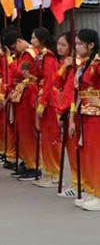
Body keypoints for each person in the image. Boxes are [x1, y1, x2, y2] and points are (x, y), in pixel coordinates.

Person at [4, 29, 39, 180]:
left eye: (13, 47)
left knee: (27, 132)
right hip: (20, 94)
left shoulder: (29, 54)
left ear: (19, 41)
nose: (12, 51)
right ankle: (26, 161)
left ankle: (33, 165)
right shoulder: (21, 54)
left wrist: (9, 60)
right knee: (21, 131)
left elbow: (19, 73)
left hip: (27, 94)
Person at [73, 29, 100, 211]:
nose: (76, 47)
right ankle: (91, 189)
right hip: (84, 111)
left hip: (96, 113)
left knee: (95, 154)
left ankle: (98, 193)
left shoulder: (98, 64)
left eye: (79, 44)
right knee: (87, 153)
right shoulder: (84, 64)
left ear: (90, 45)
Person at [31, 28, 59, 187]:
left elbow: (49, 81)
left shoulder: (48, 57)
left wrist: (42, 102)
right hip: (43, 96)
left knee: (51, 137)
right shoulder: (40, 56)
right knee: (45, 138)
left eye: (34, 38)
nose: (32, 40)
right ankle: (48, 171)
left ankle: (55, 173)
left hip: (49, 99)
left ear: (41, 40)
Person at [54, 33, 78, 198]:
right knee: (72, 149)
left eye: (63, 44)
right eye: (59, 44)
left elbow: (70, 91)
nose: (59, 47)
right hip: (66, 108)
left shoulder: (79, 64)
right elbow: (58, 83)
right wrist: (64, 67)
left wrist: (61, 111)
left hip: (73, 110)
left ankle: (79, 185)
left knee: (76, 149)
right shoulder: (66, 63)